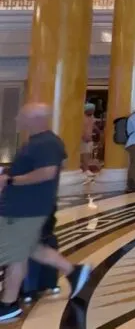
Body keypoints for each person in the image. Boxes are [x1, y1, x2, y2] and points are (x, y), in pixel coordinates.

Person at [0, 103, 92, 321]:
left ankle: (8, 304)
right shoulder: (38, 142)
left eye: (21, 116)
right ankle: (74, 271)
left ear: (36, 119)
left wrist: (10, 179)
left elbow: (47, 173)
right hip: (25, 207)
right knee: (31, 248)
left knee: (15, 255)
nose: (17, 120)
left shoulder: (46, 143)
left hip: (26, 209)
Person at [81, 103, 100, 184]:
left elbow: (92, 126)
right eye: (91, 110)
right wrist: (83, 136)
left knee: (88, 154)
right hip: (82, 139)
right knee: (83, 154)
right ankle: (84, 170)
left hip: (90, 139)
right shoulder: (81, 117)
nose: (92, 111)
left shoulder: (92, 117)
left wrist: (97, 131)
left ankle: (87, 169)